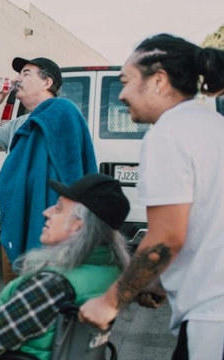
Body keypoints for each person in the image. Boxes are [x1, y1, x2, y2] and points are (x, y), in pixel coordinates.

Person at [79, 34, 224, 360]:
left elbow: (166, 237)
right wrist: (158, 280)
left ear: (158, 80)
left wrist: (109, 302)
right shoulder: (214, 125)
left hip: (213, 318)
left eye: (127, 81)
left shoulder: (168, 134)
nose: (121, 94)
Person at [0, 174, 131, 360]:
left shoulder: (53, 283)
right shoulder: (108, 270)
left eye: (59, 209)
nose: (47, 212)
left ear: (78, 226)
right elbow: (50, 319)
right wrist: (4, 305)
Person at [0, 57, 97, 282]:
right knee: (15, 298)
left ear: (46, 83)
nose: (17, 79)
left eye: (25, 73)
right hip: (16, 224)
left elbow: (60, 176)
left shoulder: (63, 113)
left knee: (41, 302)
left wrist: (2, 193)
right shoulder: (21, 123)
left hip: (51, 233)